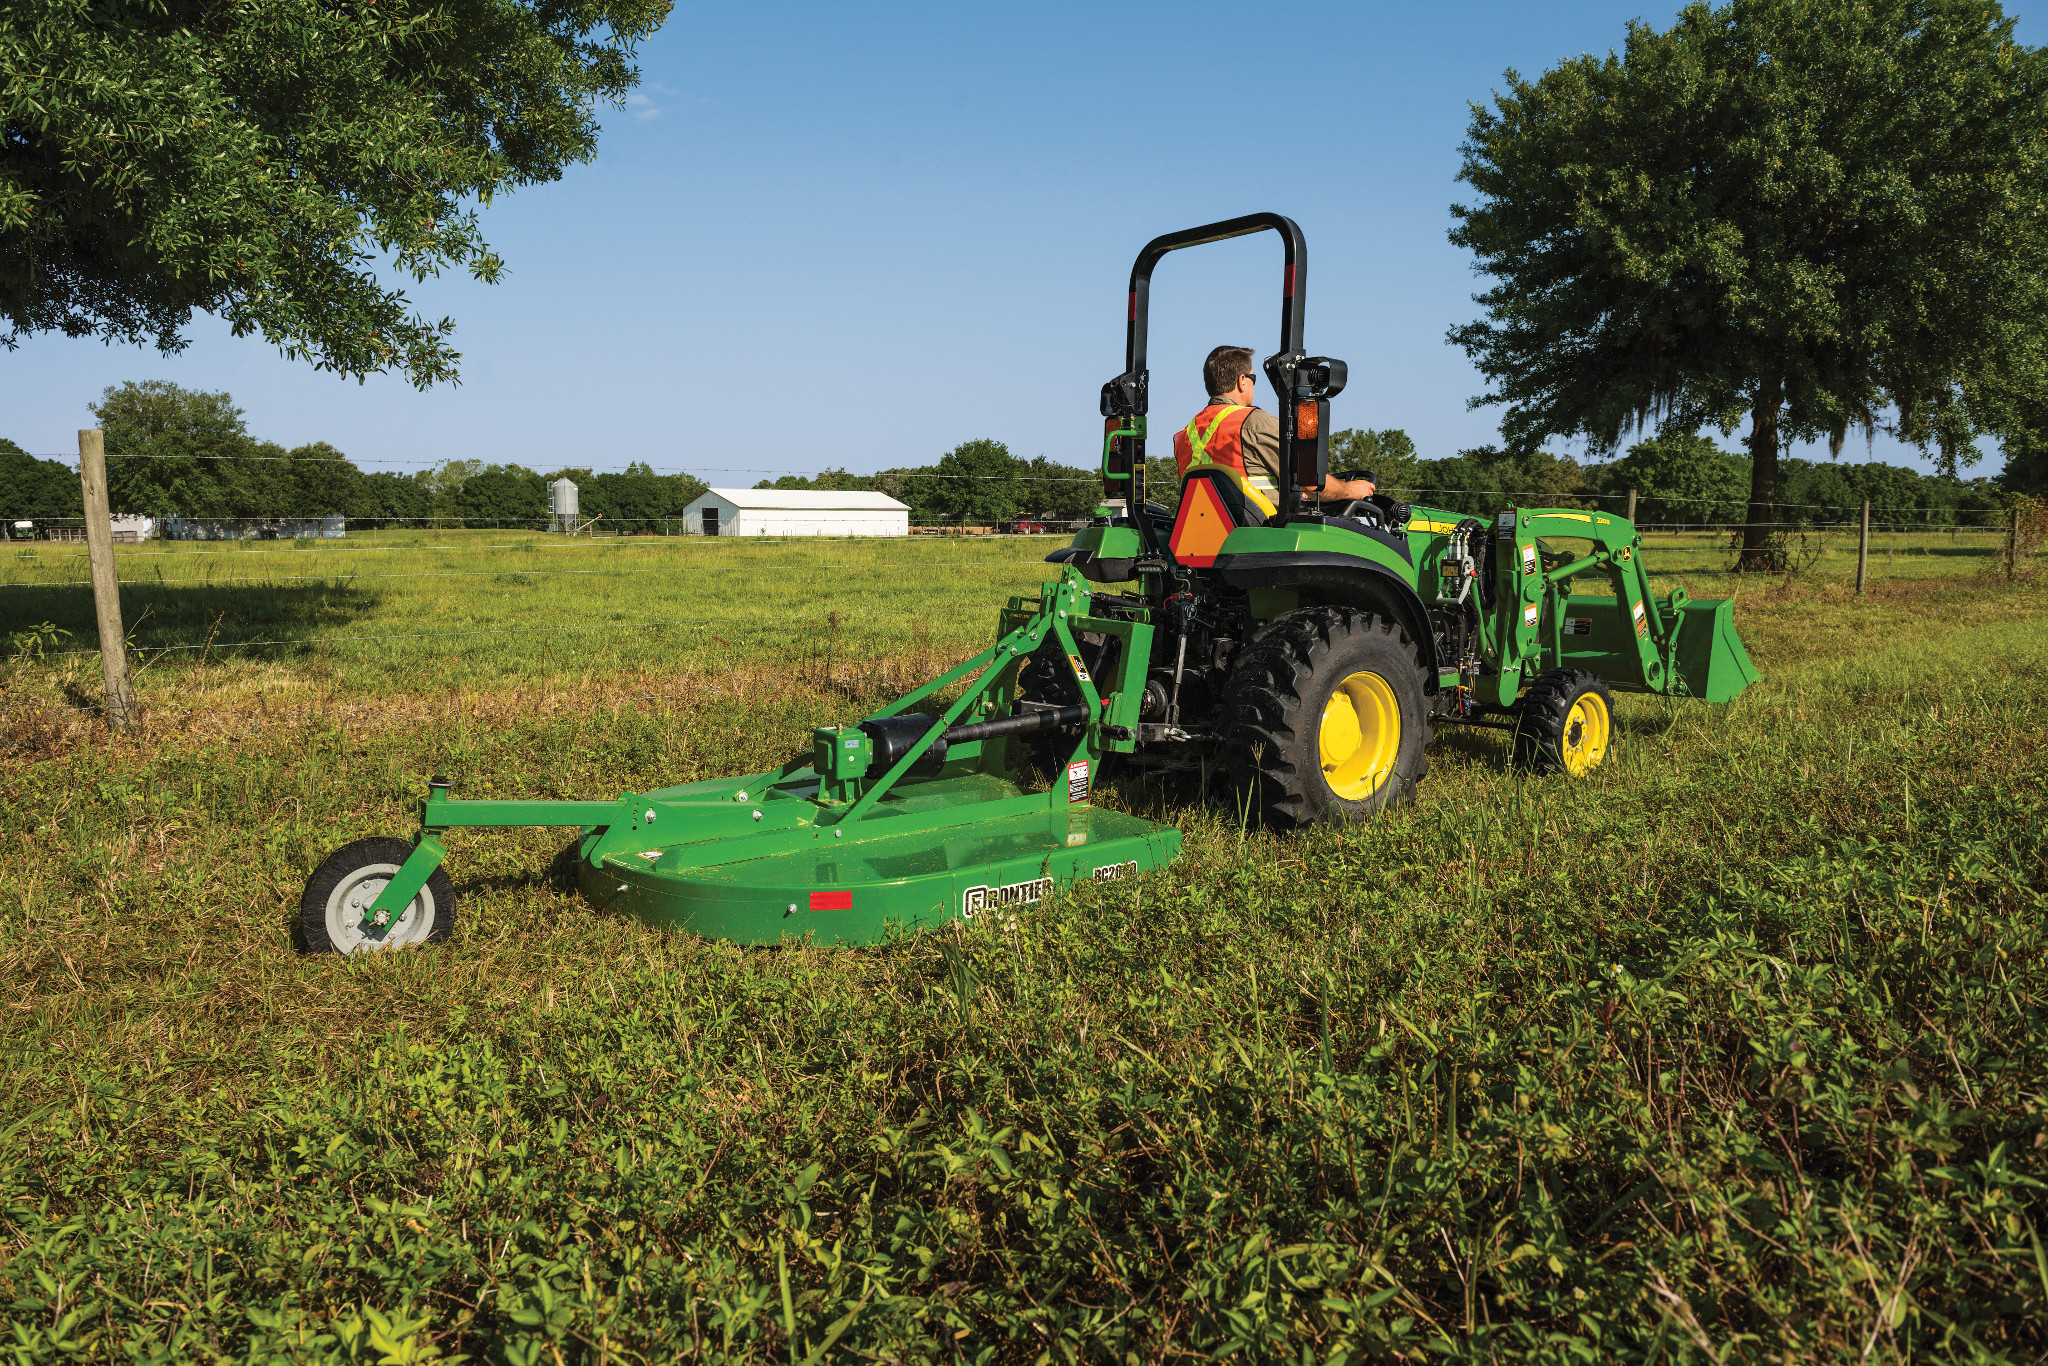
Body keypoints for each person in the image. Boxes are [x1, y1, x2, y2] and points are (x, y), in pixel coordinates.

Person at [1173, 345, 1375, 519]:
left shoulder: (1185, 435)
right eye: (1253, 378)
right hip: (1259, 535)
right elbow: (1309, 483)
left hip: (1199, 535)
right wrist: (1349, 489)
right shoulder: (1255, 423)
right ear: (1242, 381)